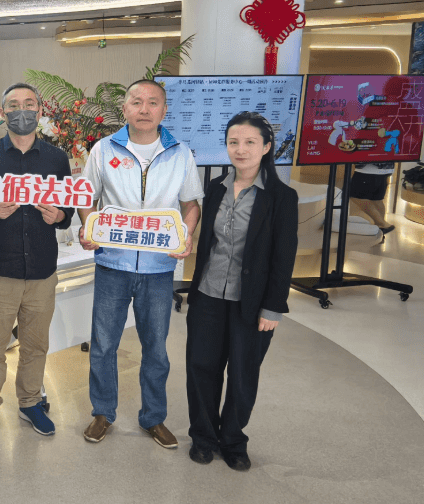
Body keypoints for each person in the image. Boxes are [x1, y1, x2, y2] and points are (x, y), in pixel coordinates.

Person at [77, 79, 203, 448]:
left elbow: (190, 204)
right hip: (112, 264)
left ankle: (153, 417)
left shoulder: (180, 153)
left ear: (164, 109)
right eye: (136, 102)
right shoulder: (104, 149)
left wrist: (186, 234)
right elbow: (87, 197)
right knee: (103, 344)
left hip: (159, 268)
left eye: (152, 102)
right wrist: (89, 226)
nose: (144, 109)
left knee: (156, 348)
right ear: (125, 109)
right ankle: (103, 412)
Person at [186, 112, 298, 471]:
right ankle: (203, 437)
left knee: (243, 373)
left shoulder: (282, 197)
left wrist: (274, 306)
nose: (241, 149)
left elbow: (284, 255)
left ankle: (233, 440)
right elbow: (208, 243)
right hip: (208, 294)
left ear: (266, 147)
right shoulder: (215, 188)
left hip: (252, 301)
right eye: (234, 142)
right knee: (201, 368)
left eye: (250, 142)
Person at [0, 82, 71, 436]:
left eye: (28, 104)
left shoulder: (56, 158)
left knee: (36, 345)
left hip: (42, 270)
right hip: (1, 268)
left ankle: (30, 403)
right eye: (13, 105)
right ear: (2, 112)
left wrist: (59, 215)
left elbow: (68, 210)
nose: (21, 110)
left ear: (39, 111)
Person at [349, 162, 396, 235]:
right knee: (376, 200)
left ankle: (382, 223)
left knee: (355, 197)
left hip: (368, 170)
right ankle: (381, 227)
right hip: (386, 169)